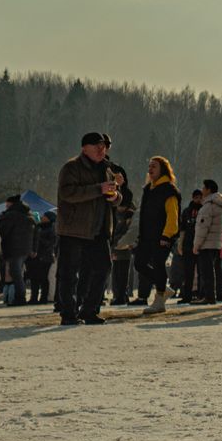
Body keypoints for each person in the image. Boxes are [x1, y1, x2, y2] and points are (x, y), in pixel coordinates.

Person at [55, 132, 117, 325]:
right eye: (97, 146)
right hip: (74, 229)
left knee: (104, 267)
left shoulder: (106, 170)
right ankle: (68, 313)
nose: (101, 149)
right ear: (84, 148)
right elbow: (68, 193)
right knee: (69, 273)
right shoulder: (71, 167)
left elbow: (115, 194)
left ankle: (89, 309)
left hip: (99, 229)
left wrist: (116, 197)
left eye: (104, 146)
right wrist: (99, 189)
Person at [137, 156, 181, 315]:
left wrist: (167, 235)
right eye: (149, 166)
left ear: (162, 168)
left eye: (154, 166)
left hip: (162, 236)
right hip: (146, 236)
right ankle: (163, 287)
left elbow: (172, 216)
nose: (150, 169)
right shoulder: (148, 189)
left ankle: (159, 300)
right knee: (139, 263)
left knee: (158, 264)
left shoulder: (169, 189)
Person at [0, 194, 36, 307]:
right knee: (19, 273)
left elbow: (3, 231)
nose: (5, 206)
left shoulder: (11, 215)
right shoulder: (27, 215)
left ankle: (20, 298)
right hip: (25, 249)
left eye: (7, 204)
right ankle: (20, 296)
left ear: (11, 204)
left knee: (16, 274)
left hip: (14, 248)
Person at [194, 179, 222, 303]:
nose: (202, 190)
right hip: (217, 242)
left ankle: (209, 297)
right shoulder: (221, 205)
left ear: (208, 189)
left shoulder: (208, 206)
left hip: (207, 243)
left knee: (207, 272)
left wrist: (196, 245)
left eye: (204, 188)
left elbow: (203, 227)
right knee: (215, 270)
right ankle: (214, 295)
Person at [107, 166, 138, 306]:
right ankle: (118, 294)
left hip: (124, 237)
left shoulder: (127, 196)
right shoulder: (110, 192)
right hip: (113, 236)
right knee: (116, 269)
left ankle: (122, 294)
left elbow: (128, 220)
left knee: (123, 269)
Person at [29, 210, 57, 307]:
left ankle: (43, 298)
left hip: (46, 257)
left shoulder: (52, 228)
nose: (42, 217)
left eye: (45, 216)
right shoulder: (38, 227)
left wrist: (39, 238)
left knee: (44, 278)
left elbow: (51, 243)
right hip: (36, 256)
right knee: (34, 278)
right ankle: (33, 297)